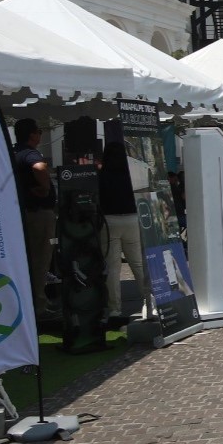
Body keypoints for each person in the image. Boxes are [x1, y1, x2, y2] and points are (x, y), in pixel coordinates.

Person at [98, 140, 149, 328]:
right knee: (137, 262)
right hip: (131, 218)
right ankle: (148, 300)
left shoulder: (102, 175)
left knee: (112, 267)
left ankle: (114, 310)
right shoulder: (132, 173)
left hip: (109, 220)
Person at [12, 118, 58, 319]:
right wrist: (46, 187)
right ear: (32, 134)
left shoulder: (14, 152)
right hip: (39, 213)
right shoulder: (30, 153)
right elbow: (39, 167)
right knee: (41, 258)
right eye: (39, 131)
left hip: (23, 212)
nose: (40, 134)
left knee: (29, 258)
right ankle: (39, 305)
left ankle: (32, 301)